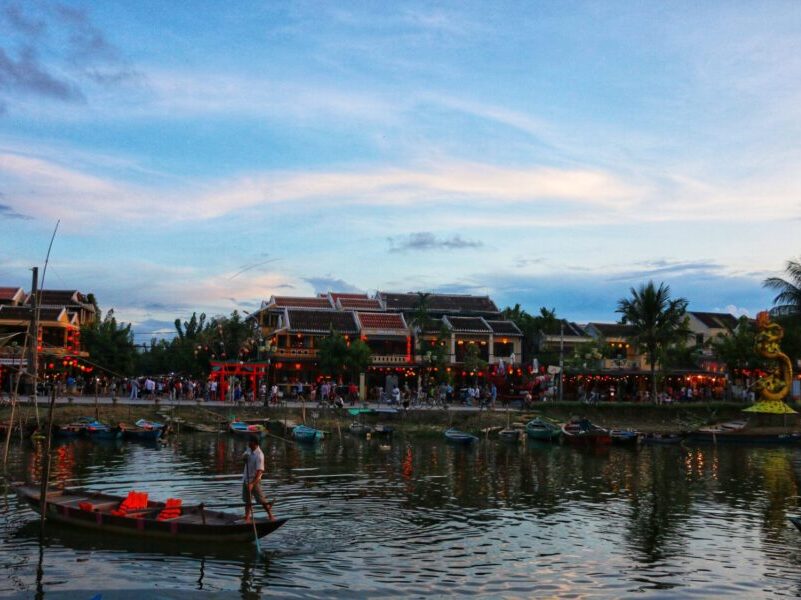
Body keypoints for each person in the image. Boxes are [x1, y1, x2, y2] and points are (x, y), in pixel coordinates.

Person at [242, 436, 274, 522]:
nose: (248, 443)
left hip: (255, 480)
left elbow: (259, 471)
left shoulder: (259, 455)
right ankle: (247, 517)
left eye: (250, 441)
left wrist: (252, 484)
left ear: (254, 443)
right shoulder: (249, 450)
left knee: (261, 500)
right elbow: (244, 456)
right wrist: (244, 458)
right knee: (247, 500)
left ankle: (271, 515)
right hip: (246, 478)